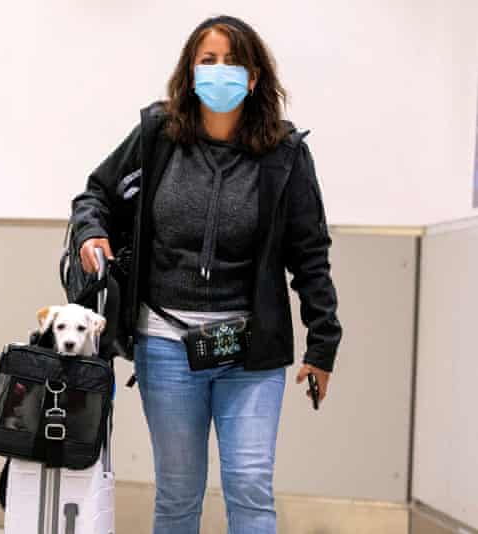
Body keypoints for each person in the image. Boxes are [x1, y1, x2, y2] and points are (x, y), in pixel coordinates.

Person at [69, 15, 342, 534]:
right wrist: (90, 233)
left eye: (233, 61)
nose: (220, 71)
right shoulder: (158, 137)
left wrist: (322, 345)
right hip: (167, 346)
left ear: (255, 77)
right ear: (190, 73)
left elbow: (311, 254)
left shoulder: (285, 156)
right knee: (177, 493)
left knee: (250, 488)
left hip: (250, 351)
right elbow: (96, 195)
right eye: (208, 60)